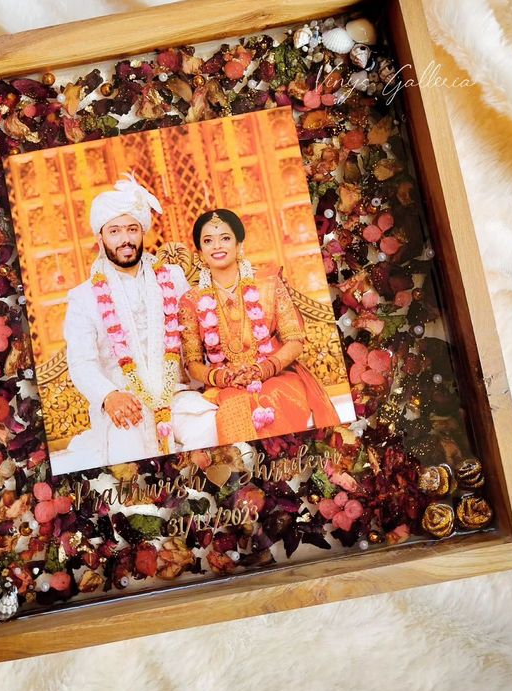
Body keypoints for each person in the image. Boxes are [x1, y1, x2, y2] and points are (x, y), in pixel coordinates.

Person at [60, 175, 218, 471]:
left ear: (142, 231)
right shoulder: (83, 298)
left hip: (176, 395)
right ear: (100, 237)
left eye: (132, 229)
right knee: (130, 459)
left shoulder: (172, 277)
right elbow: (81, 362)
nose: (125, 239)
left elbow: (197, 335)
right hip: (124, 403)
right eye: (115, 231)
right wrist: (109, 396)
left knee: (208, 427)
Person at [178, 208, 339, 445]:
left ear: (239, 244)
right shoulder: (190, 300)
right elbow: (192, 363)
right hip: (226, 384)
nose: (217, 246)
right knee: (234, 406)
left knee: (273, 396)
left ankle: (284, 458)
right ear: (200, 253)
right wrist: (222, 376)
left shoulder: (268, 283)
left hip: (278, 376)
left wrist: (265, 369)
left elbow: (294, 341)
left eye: (225, 238)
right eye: (208, 241)